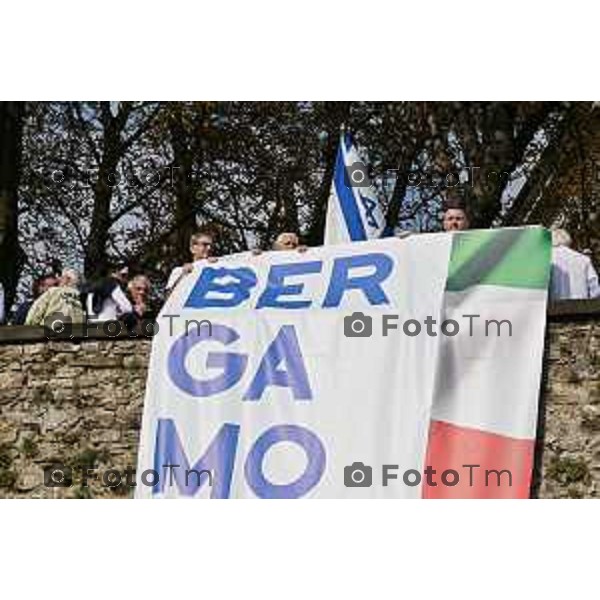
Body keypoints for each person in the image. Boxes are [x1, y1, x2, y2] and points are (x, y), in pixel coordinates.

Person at [550, 228, 600, 300]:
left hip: (553, 308)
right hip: (581, 307)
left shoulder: (546, 260)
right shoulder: (584, 259)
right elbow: (595, 290)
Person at [166, 229, 217, 294]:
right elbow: (168, 297)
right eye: (205, 245)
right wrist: (183, 275)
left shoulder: (216, 268)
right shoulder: (178, 271)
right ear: (192, 249)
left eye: (211, 246)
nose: (209, 248)